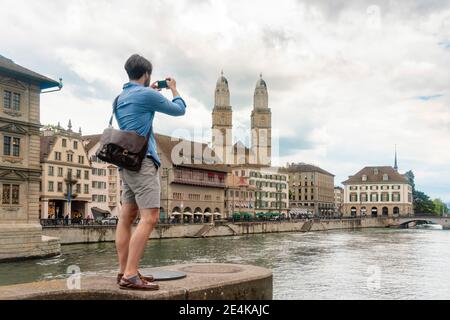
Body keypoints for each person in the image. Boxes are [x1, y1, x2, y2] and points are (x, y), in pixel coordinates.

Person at [115, 54, 186, 290]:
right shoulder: (147, 94)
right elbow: (179, 110)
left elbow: (139, 115)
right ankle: (131, 275)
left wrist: (152, 93)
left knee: (126, 217)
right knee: (150, 217)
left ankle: (123, 270)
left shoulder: (119, 98)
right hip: (143, 162)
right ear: (146, 74)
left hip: (126, 163)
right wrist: (174, 89)